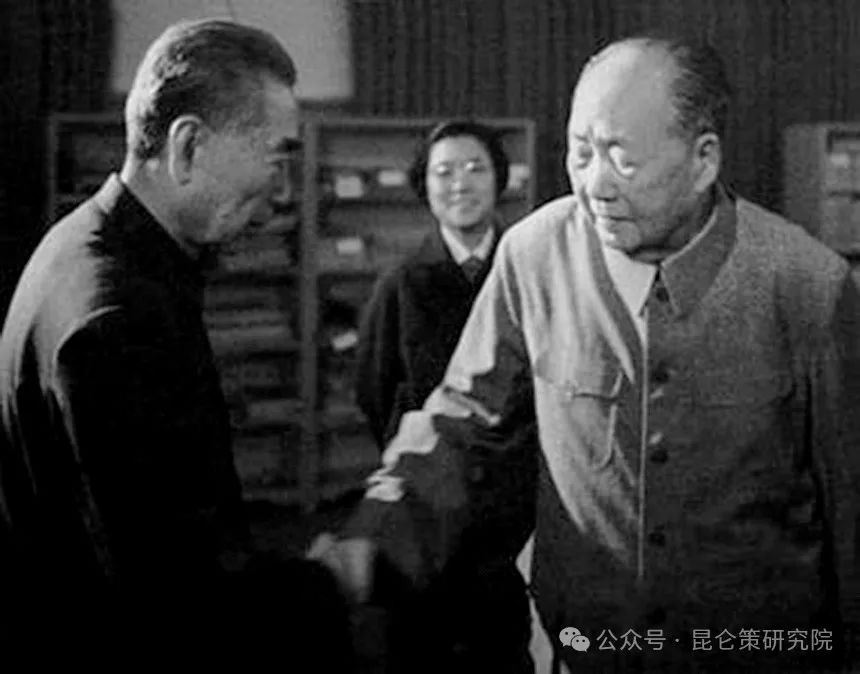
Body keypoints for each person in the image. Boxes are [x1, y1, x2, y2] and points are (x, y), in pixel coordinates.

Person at [311, 34, 860, 673]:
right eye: (580, 152)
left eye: (621, 159)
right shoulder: (534, 256)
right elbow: (465, 420)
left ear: (703, 158)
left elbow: (850, 499)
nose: (594, 184)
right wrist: (376, 531)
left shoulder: (806, 284)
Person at [0, 18, 349, 663]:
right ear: (187, 146)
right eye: (276, 157)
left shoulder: (79, 245)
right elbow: (175, 595)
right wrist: (327, 582)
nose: (280, 194)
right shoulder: (116, 320)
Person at [354, 120, 536, 672]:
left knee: (504, 647)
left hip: (513, 504)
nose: (461, 183)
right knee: (421, 646)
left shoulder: (529, 275)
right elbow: (376, 390)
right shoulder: (400, 283)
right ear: (425, 185)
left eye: (476, 168)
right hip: (428, 502)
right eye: (444, 171)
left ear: (500, 180)